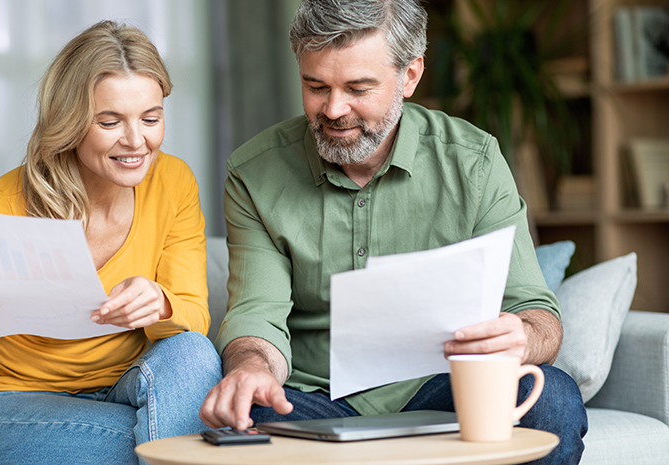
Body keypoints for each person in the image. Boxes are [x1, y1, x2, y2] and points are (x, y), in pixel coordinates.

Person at [199, 1, 587, 464]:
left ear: (410, 75)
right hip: (311, 397)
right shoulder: (254, 173)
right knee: (245, 411)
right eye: (315, 86)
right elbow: (256, 315)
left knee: (552, 399)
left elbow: (536, 311)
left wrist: (522, 335)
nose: (334, 109)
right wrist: (251, 369)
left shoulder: (474, 162)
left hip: (441, 387)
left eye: (358, 87)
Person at [0, 20, 221, 464]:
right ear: (70, 123)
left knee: (193, 351)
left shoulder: (174, 182)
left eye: (151, 118)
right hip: (10, 408)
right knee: (184, 441)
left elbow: (193, 319)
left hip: (125, 390)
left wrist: (161, 305)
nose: (136, 141)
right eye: (109, 121)